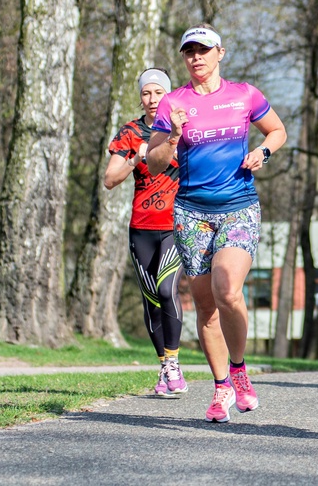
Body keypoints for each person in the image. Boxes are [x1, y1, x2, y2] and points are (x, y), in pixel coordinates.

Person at [146, 24, 287, 422]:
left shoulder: (244, 94)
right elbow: (155, 164)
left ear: (219, 53)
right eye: (189, 51)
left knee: (228, 288)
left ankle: (240, 372)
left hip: (238, 205)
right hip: (191, 212)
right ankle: (222, 386)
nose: (196, 57)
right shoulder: (172, 102)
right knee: (205, 307)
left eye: (203, 50)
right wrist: (172, 135)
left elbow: (277, 130)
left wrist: (263, 151)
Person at [104, 67, 186, 397]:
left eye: (158, 92)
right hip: (141, 229)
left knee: (167, 290)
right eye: (146, 93)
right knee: (151, 300)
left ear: (168, 94)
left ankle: (175, 364)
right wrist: (134, 157)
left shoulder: (183, 127)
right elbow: (110, 180)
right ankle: (165, 365)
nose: (152, 99)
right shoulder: (130, 132)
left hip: (175, 225)